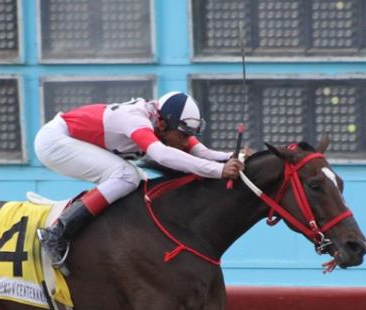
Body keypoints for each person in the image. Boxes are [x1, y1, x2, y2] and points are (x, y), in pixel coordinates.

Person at [34, 91, 245, 269]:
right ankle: (57, 232)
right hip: (55, 141)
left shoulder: (165, 122)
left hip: (67, 139)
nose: (185, 141)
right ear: (162, 124)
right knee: (127, 176)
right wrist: (219, 171)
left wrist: (235, 157)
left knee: (138, 181)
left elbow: (203, 152)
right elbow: (162, 155)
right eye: (182, 135)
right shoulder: (136, 119)